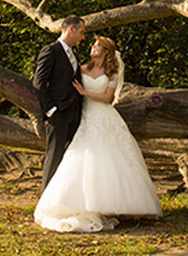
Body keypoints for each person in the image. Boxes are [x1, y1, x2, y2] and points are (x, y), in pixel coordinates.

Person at [34, 35, 162, 233]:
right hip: (84, 116)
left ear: (105, 51)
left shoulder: (112, 72)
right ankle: (76, 202)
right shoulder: (81, 68)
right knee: (82, 156)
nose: (93, 47)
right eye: (93, 44)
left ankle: (117, 204)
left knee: (112, 157)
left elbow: (108, 97)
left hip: (103, 115)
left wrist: (86, 94)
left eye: (97, 45)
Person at [32, 15, 86, 189]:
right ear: (71, 29)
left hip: (74, 113)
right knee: (54, 156)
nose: (83, 37)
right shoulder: (51, 51)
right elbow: (38, 83)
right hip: (58, 114)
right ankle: (46, 201)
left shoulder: (74, 55)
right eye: (82, 32)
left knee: (72, 157)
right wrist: (50, 110)